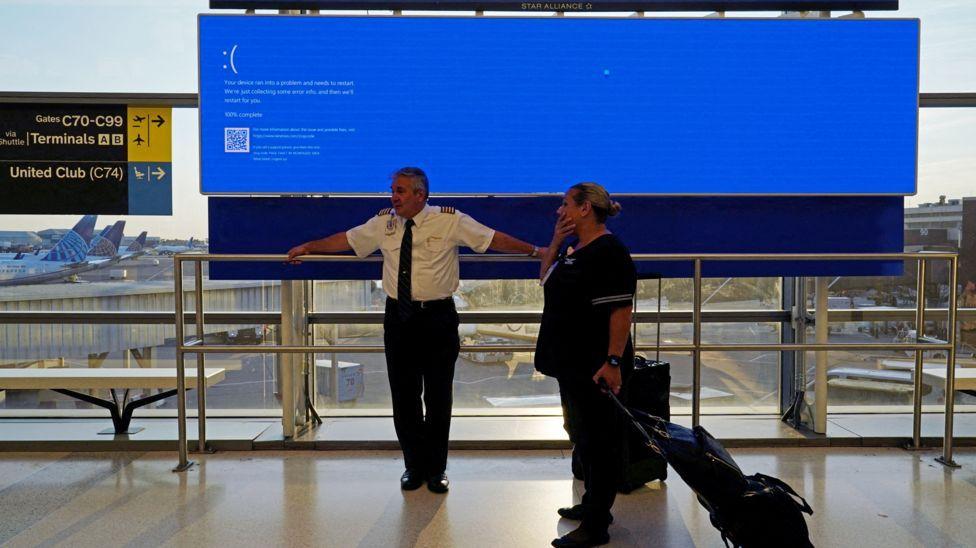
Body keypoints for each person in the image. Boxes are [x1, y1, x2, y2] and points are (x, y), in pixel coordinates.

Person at [287, 167, 544, 494]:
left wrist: (536, 251)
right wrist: (308, 247)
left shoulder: (450, 220)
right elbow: (346, 240)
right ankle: (413, 466)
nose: (394, 196)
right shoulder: (384, 223)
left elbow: (492, 239)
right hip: (399, 319)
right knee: (404, 397)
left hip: (438, 317)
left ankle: (436, 469)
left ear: (421, 195)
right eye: (393, 189)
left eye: (401, 191)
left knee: (438, 397)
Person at [535, 182, 636, 548]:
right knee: (581, 435)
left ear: (584, 209)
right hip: (571, 362)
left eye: (565, 205)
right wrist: (555, 241)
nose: (559, 211)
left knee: (600, 440)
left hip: (595, 364)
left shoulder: (609, 252)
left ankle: (597, 524)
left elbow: (620, 311)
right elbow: (544, 279)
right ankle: (593, 503)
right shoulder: (577, 249)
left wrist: (612, 361)